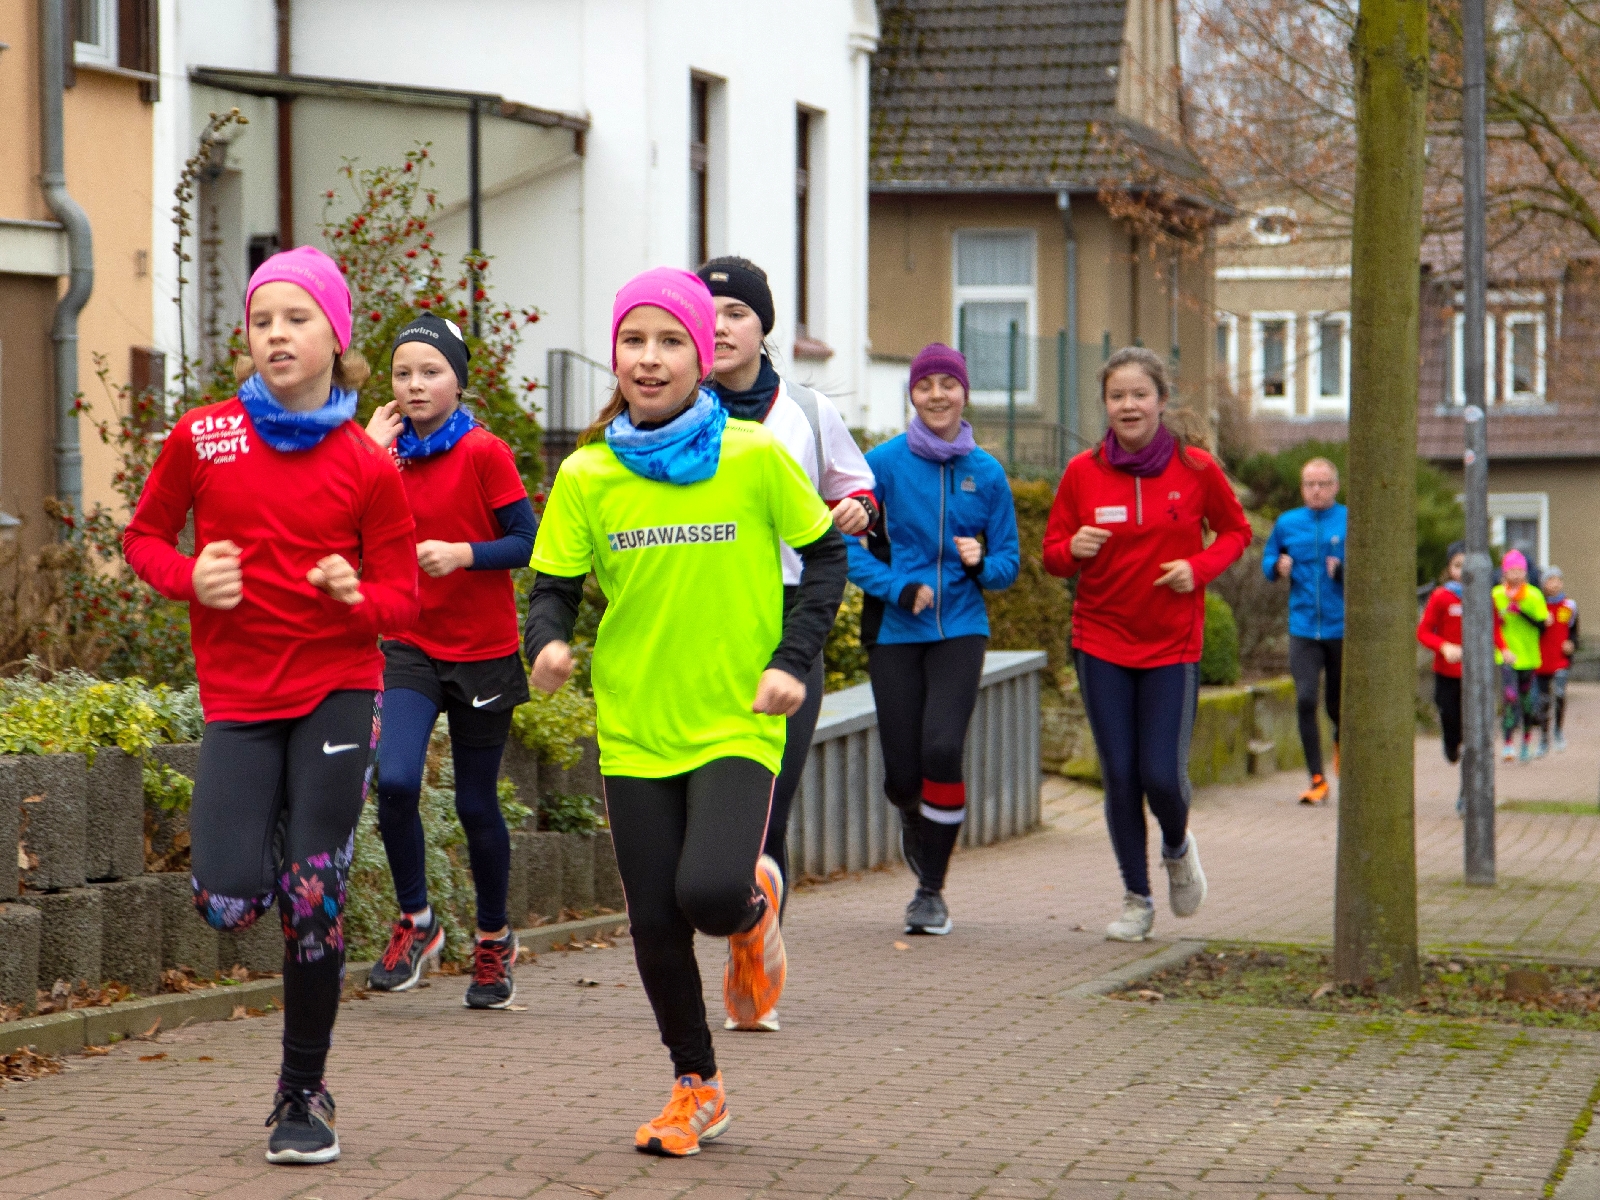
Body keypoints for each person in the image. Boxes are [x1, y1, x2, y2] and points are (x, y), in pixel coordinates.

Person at [522, 268, 846, 1157]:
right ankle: (696, 1084)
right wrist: (546, 646)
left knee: (705, 894)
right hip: (635, 728)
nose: (650, 359)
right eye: (635, 341)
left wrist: (791, 661)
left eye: (671, 342)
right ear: (616, 355)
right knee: (656, 923)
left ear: (702, 357)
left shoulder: (753, 458)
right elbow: (551, 591)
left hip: (740, 717)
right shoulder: (588, 474)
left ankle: (749, 914)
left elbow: (824, 565)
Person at [124, 246, 419, 1164]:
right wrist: (188, 577)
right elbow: (143, 537)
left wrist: (353, 597)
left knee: (314, 889)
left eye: (297, 319)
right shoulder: (203, 436)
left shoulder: (367, 464)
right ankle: (279, 856)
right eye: (262, 321)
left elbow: (404, 597)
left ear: (337, 336)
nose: (277, 335)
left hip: (338, 690)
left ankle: (303, 1090)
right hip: (240, 699)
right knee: (224, 903)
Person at [697, 256, 875, 1030]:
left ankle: (752, 956)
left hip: (786, 618)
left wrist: (859, 509)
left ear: (762, 325)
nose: (719, 326)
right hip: (698, 620)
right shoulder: (673, 413)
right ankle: (720, 921)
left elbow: (853, 482)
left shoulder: (804, 408)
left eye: (735, 312)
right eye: (705, 313)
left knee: (768, 809)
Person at [1042, 347, 1251, 943]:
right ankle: (1137, 898)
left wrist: (1199, 567)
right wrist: (1072, 550)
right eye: (1116, 396)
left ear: (1161, 400)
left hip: (1171, 645)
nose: (1128, 406)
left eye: (1139, 394)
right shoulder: (1082, 472)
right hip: (1101, 639)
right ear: (1105, 405)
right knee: (1121, 777)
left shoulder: (1196, 469)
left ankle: (1178, 847)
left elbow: (1236, 531)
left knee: (1162, 775)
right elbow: (1053, 555)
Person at [359, 313, 537, 1006]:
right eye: (403, 372)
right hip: (408, 643)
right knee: (395, 779)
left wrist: (465, 554)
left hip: (484, 652)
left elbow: (529, 541)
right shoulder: (381, 450)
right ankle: (417, 922)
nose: (414, 384)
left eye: (430, 371)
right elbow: (336, 525)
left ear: (458, 381)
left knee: (474, 802)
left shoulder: (484, 452)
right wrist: (366, 456)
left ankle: (493, 941)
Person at [844, 343, 1019, 937]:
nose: (938, 394)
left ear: (964, 392)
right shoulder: (883, 464)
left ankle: (930, 891)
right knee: (902, 776)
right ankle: (915, 816)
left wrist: (977, 564)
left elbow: (1008, 567)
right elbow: (844, 545)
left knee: (942, 749)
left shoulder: (987, 474)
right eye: (926, 385)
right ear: (912, 395)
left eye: (949, 384)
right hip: (896, 629)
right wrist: (897, 587)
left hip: (961, 629)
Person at [1260, 457, 1346, 805]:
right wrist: (1277, 567)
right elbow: (1268, 561)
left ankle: (1341, 744)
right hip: (1304, 628)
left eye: (1323, 483)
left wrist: (1342, 571)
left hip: (1342, 628)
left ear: (1335, 486)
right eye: (1310, 484)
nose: (1316, 490)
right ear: (1302, 488)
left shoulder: (1348, 519)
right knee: (1306, 698)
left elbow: (1370, 573)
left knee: (1338, 706)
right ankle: (1317, 778)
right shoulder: (1287, 523)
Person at [1416, 542, 1508, 812]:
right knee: (1451, 722)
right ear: (1450, 568)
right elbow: (1424, 632)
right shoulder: (1442, 597)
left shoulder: (1484, 597)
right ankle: (1449, 744)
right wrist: (1444, 646)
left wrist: (1504, 650)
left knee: (1474, 737)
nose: (1463, 572)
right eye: (1458, 566)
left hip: (1476, 678)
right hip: (1447, 675)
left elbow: (1495, 629)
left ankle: (1466, 794)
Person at [1494, 549, 1549, 763]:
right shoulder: (1496, 595)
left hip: (1529, 657)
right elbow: (1491, 624)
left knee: (1527, 702)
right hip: (1506, 656)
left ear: (1525, 573)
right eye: (1511, 570)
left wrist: (1521, 612)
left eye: (1519, 570)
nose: (1515, 575)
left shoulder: (1534, 595)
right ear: (1504, 573)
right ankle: (1508, 744)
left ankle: (1526, 741)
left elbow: (1542, 626)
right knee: (1510, 698)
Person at [1537, 565, 1578, 754]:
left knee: (1560, 694)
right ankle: (1544, 738)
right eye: (1549, 580)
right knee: (1543, 700)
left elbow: (1574, 632)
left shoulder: (1570, 606)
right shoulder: (1538, 606)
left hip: (1561, 660)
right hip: (1542, 660)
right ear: (1543, 584)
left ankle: (1558, 731)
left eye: (1557, 580)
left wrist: (1572, 644)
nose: (1554, 584)